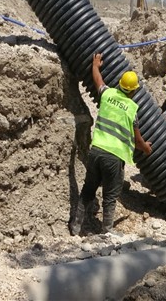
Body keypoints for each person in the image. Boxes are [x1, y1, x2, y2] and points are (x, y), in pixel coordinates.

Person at [69, 53, 152, 236]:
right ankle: (107, 233)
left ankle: (75, 228)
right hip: (114, 157)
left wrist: (95, 65)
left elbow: (97, 80)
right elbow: (137, 140)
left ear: (120, 85)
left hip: (97, 150)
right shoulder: (132, 109)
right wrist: (146, 148)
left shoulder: (107, 94)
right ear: (133, 91)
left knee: (88, 190)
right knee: (110, 197)